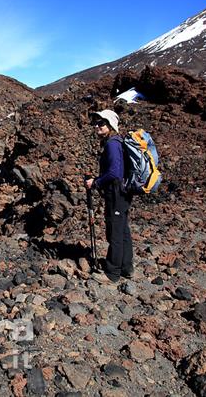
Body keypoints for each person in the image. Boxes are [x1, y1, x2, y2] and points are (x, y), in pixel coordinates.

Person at [85, 110, 134, 282]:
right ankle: (126, 268)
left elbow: (114, 172)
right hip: (122, 192)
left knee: (114, 232)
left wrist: (96, 183)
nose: (97, 126)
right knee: (122, 231)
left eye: (101, 123)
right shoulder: (116, 142)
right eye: (96, 123)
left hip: (116, 193)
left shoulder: (112, 144)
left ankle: (112, 273)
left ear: (110, 125)